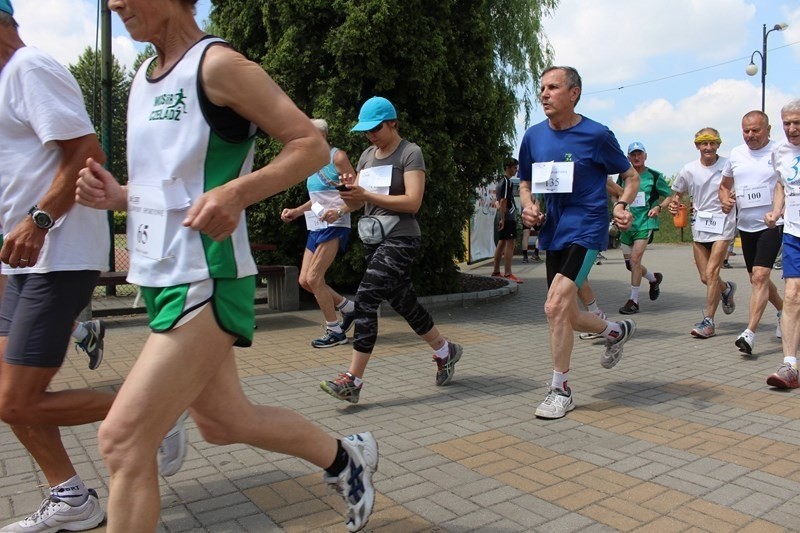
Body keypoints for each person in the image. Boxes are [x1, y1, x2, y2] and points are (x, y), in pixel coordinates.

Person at [77, 1, 378, 531]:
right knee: (224, 422)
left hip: (209, 276)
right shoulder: (142, 80)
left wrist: (238, 192)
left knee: (123, 440)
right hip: (162, 279)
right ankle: (343, 458)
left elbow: (311, 143)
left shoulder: (216, 65)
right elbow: (175, 184)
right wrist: (119, 195)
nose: (117, 3)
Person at [0, 3, 121, 530]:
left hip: (58, 253)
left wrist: (39, 220)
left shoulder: (29, 69)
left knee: (17, 400)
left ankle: (155, 407)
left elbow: (86, 152)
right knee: (5, 396)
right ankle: (71, 496)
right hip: (23, 264)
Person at [320, 96, 463, 404]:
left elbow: (413, 202)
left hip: (401, 238)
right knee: (404, 302)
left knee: (367, 298)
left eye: (376, 128)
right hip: (374, 239)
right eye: (366, 130)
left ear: (393, 123)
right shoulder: (367, 155)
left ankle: (353, 380)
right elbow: (359, 203)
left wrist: (366, 193)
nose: (370, 135)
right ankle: (444, 350)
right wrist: (345, 198)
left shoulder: (410, 153)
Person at [518, 66, 639, 420]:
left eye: (553, 87)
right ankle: (615, 331)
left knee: (553, 307)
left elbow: (629, 176)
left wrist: (621, 204)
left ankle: (561, 389)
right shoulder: (533, 137)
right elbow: (525, 182)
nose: (544, 94)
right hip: (553, 228)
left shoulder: (597, 135)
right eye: (541, 87)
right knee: (567, 315)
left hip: (586, 228)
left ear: (574, 94)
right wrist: (528, 206)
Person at [281, 119, 357, 348]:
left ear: (321, 136)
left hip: (335, 225)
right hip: (315, 225)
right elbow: (316, 199)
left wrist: (340, 210)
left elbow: (356, 196)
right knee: (305, 280)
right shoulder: (310, 163)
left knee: (315, 279)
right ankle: (350, 309)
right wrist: (295, 211)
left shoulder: (338, 158)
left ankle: (335, 331)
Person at [719, 110, 783, 355]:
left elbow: (788, 184)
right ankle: (784, 312)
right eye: (746, 130)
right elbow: (724, 187)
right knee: (758, 279)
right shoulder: (736, 154)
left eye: (756, 130)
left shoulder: (779, 151)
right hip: (745, 226)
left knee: (759, 277)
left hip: (772, 224)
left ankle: (750, 333)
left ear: (768, 129)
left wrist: (778, 211)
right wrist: (725, 201)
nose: (750, 135)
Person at [668, 127, 737, 339]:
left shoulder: (728, 165)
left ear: (718, 144)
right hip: (700, 225)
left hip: (724, 222)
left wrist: (732, 197)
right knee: (705, 278)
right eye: (704, 143)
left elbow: (739, 186)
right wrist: (674, 204)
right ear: (697, 145)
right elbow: (677, 194)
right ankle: (725, 289)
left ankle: (709, 321)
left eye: (712, 143)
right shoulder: (689, 169)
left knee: (712, 272)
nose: (708, 147)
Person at [764, 99, 800, 389]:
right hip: (794, 233)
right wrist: (777, 210)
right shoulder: (780, 151)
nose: (791, 128)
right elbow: (780, 184)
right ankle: (790, 365)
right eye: (787, 123)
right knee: (791, 295)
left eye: (797, 122)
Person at [616, 142, 671, 314]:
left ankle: (633, 301)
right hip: (627, 224)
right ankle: (653, 279)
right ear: (628, 158)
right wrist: (619, 209)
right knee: (630, 265)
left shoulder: (654, 175)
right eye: (633, 154)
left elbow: (669, 196)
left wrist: (659, 207)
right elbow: (617, 194)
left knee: (635, 260)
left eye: (639, 154)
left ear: (645, 156)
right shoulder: (624, 176)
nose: (636, 157)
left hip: (645, 222)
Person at [490, 159, 524, 282]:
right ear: (508, 168)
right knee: (510, 243)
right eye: (515, 168)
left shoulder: (500, 182)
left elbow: (499, 201)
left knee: (501, 242)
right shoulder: (507, 182)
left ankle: (496, 271)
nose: (516, 170)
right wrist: (503, 219)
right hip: (507, 217)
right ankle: (508, 273)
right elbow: (503, 201)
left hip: (504, 216)